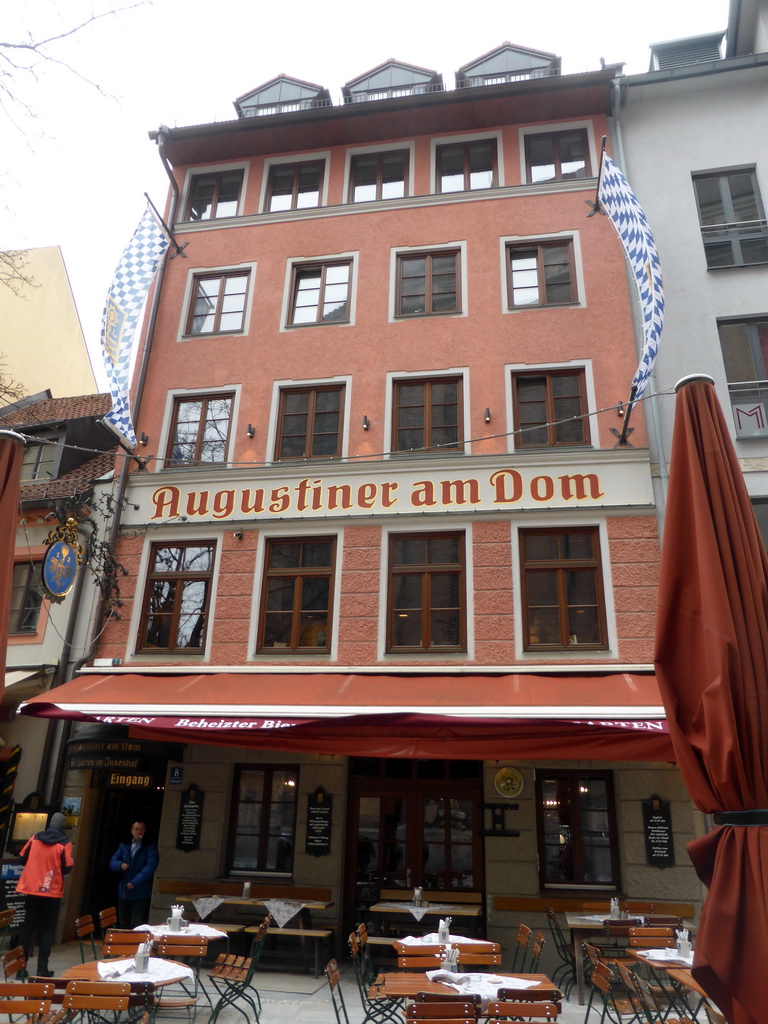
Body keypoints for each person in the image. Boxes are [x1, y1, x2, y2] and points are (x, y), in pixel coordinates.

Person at [16, 811, 74, 977]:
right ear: (63, 826)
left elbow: (21, 858)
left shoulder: (35, 838)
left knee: (27, 929)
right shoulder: (65, 843)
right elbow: (68, 868)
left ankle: (21, 969)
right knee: (48, 930)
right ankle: (42, 968)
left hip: (31, 888)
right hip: (51, 891)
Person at [110, 821, 159, 928]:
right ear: (132, 831)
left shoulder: (149, 846)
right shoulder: (125, 844)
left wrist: (135, 882)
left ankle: (134, 943)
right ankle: (123, 943)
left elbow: (150, 866)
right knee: (123, 921)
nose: (139, 831)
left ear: (145, 831)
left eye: (141, 829)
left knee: (137, 922)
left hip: (140, 889)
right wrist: (120, 865)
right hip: (124, 888)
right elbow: (113, 861)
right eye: (136, 829)